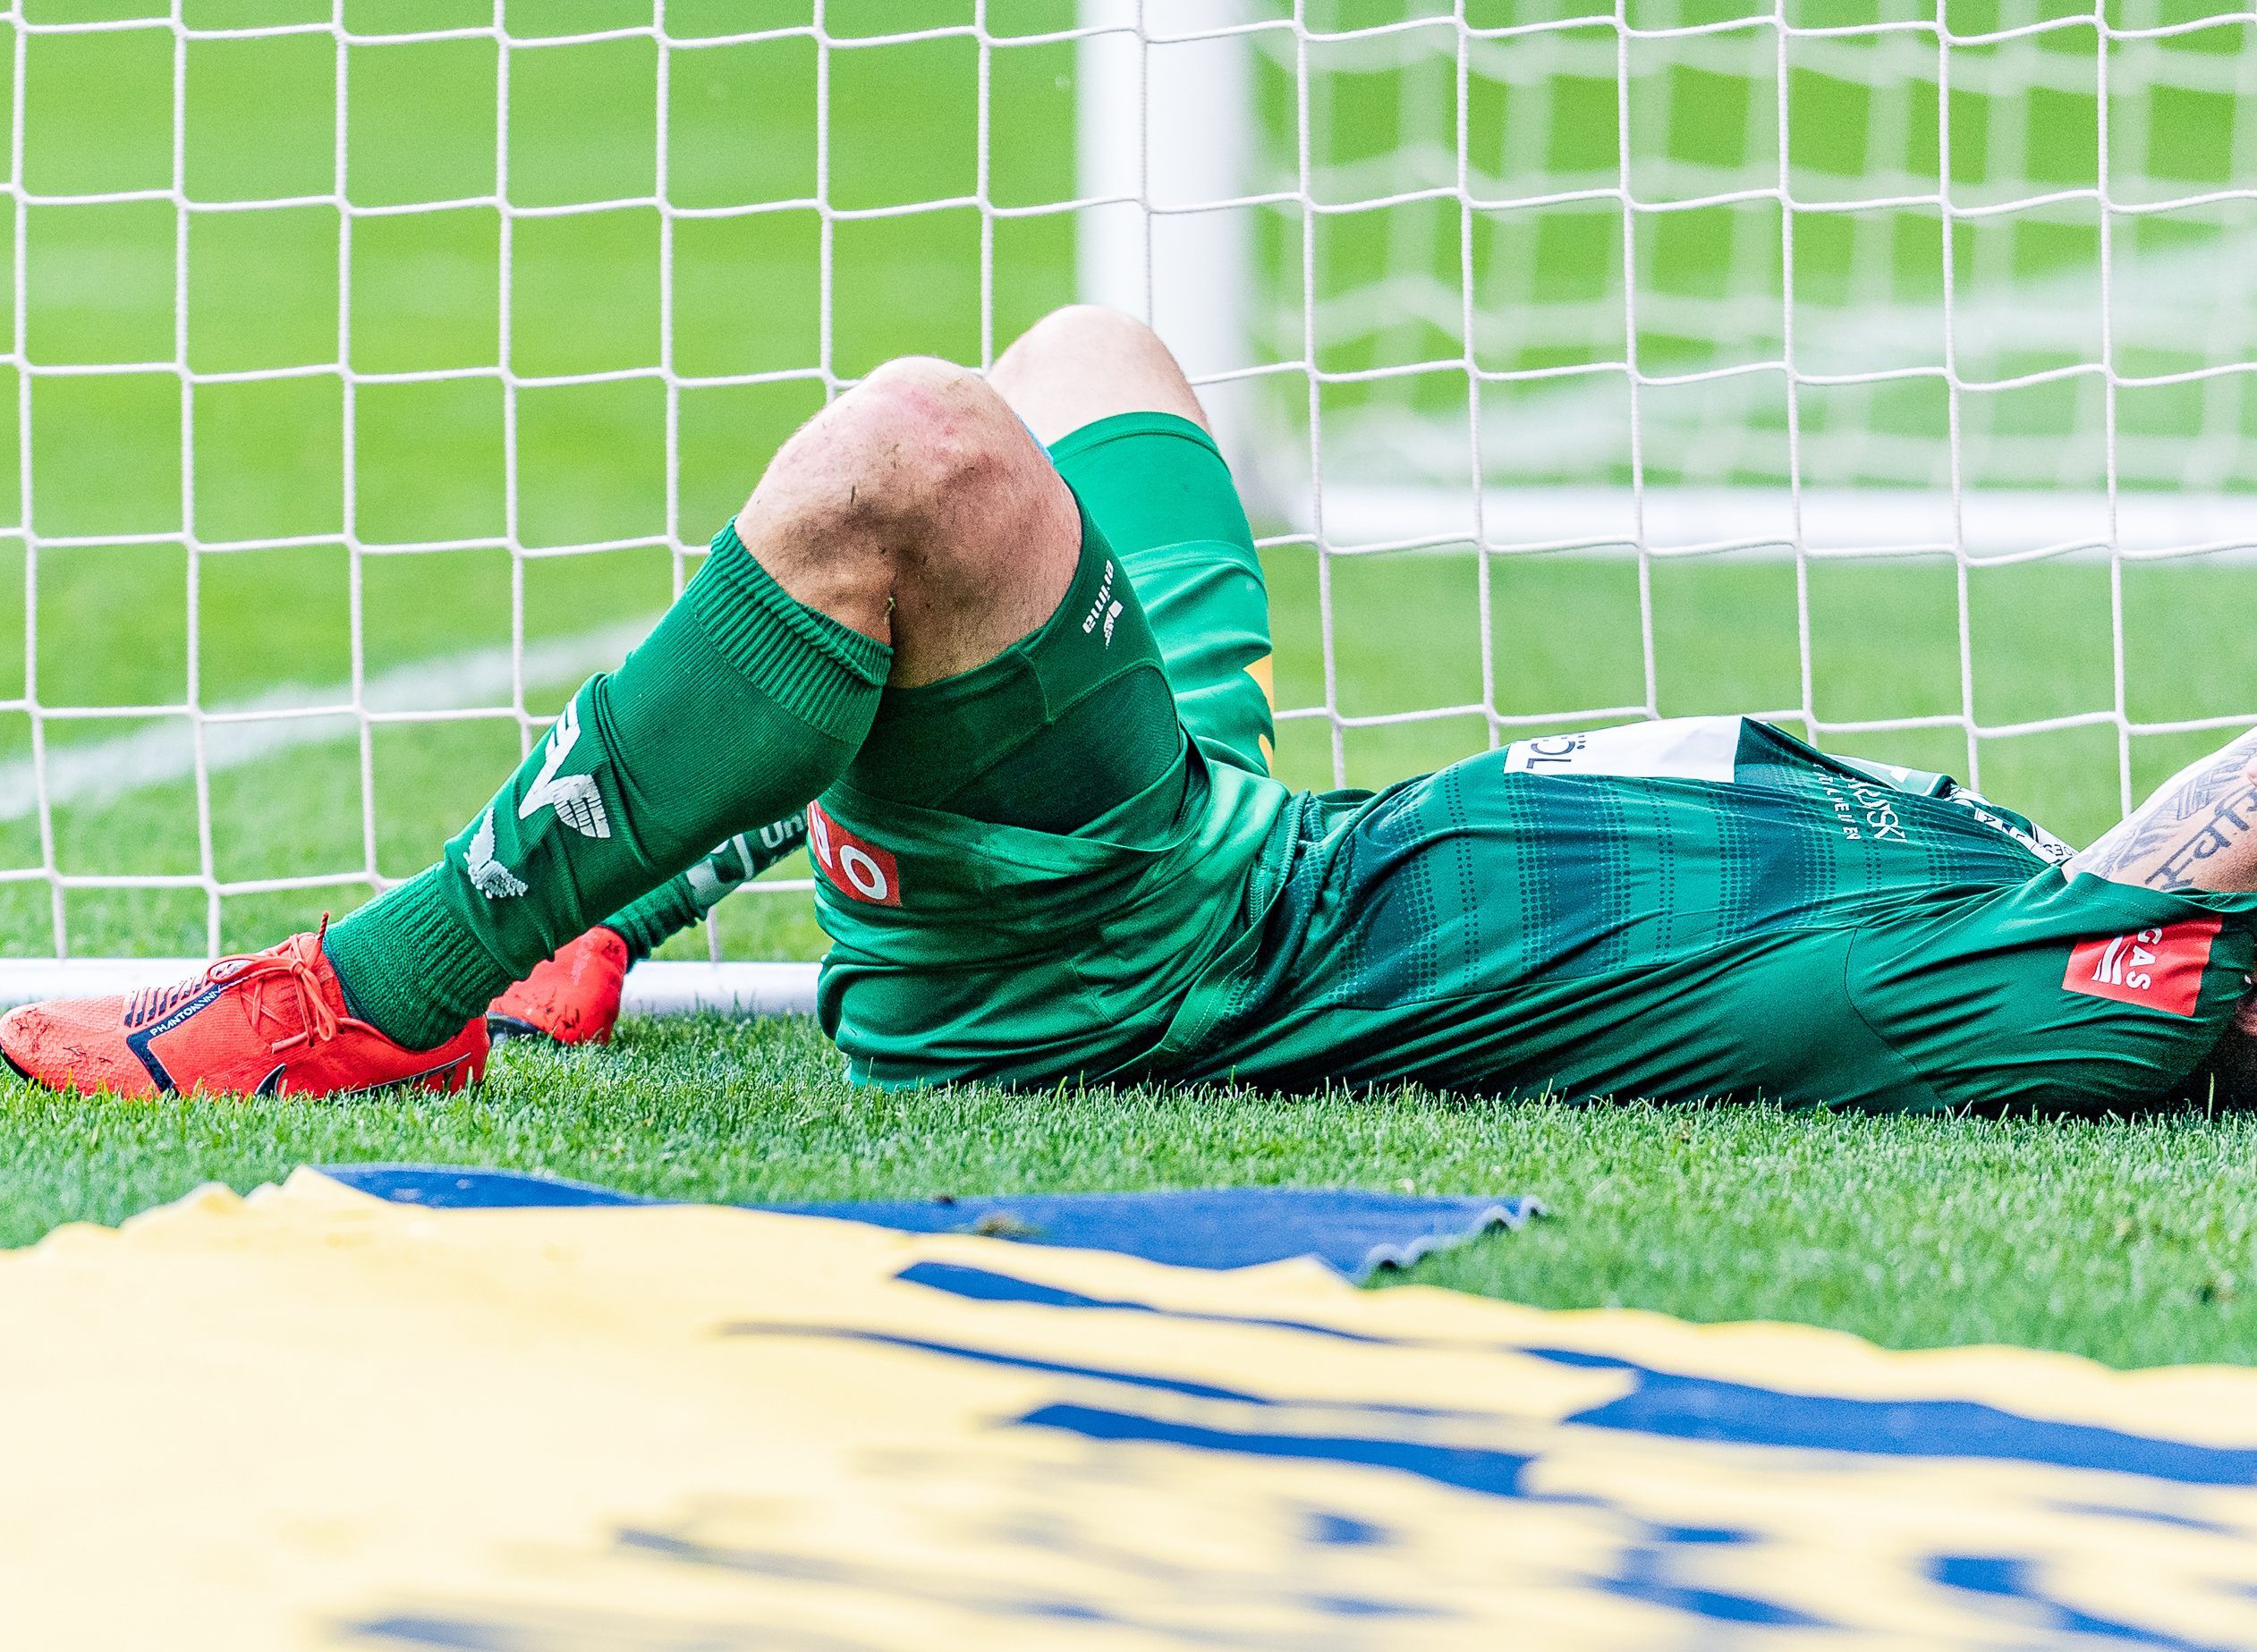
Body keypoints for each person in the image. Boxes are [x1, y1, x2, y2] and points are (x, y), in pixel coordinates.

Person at [7, 307, 2257, 1113]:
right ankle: (661, 869)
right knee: (1101, 352)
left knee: (921, 460)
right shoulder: (2073, 906)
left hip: (1155, 956)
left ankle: (380, 988)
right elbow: (2198, 824)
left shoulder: (2110, 1005)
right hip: (1263, 846)